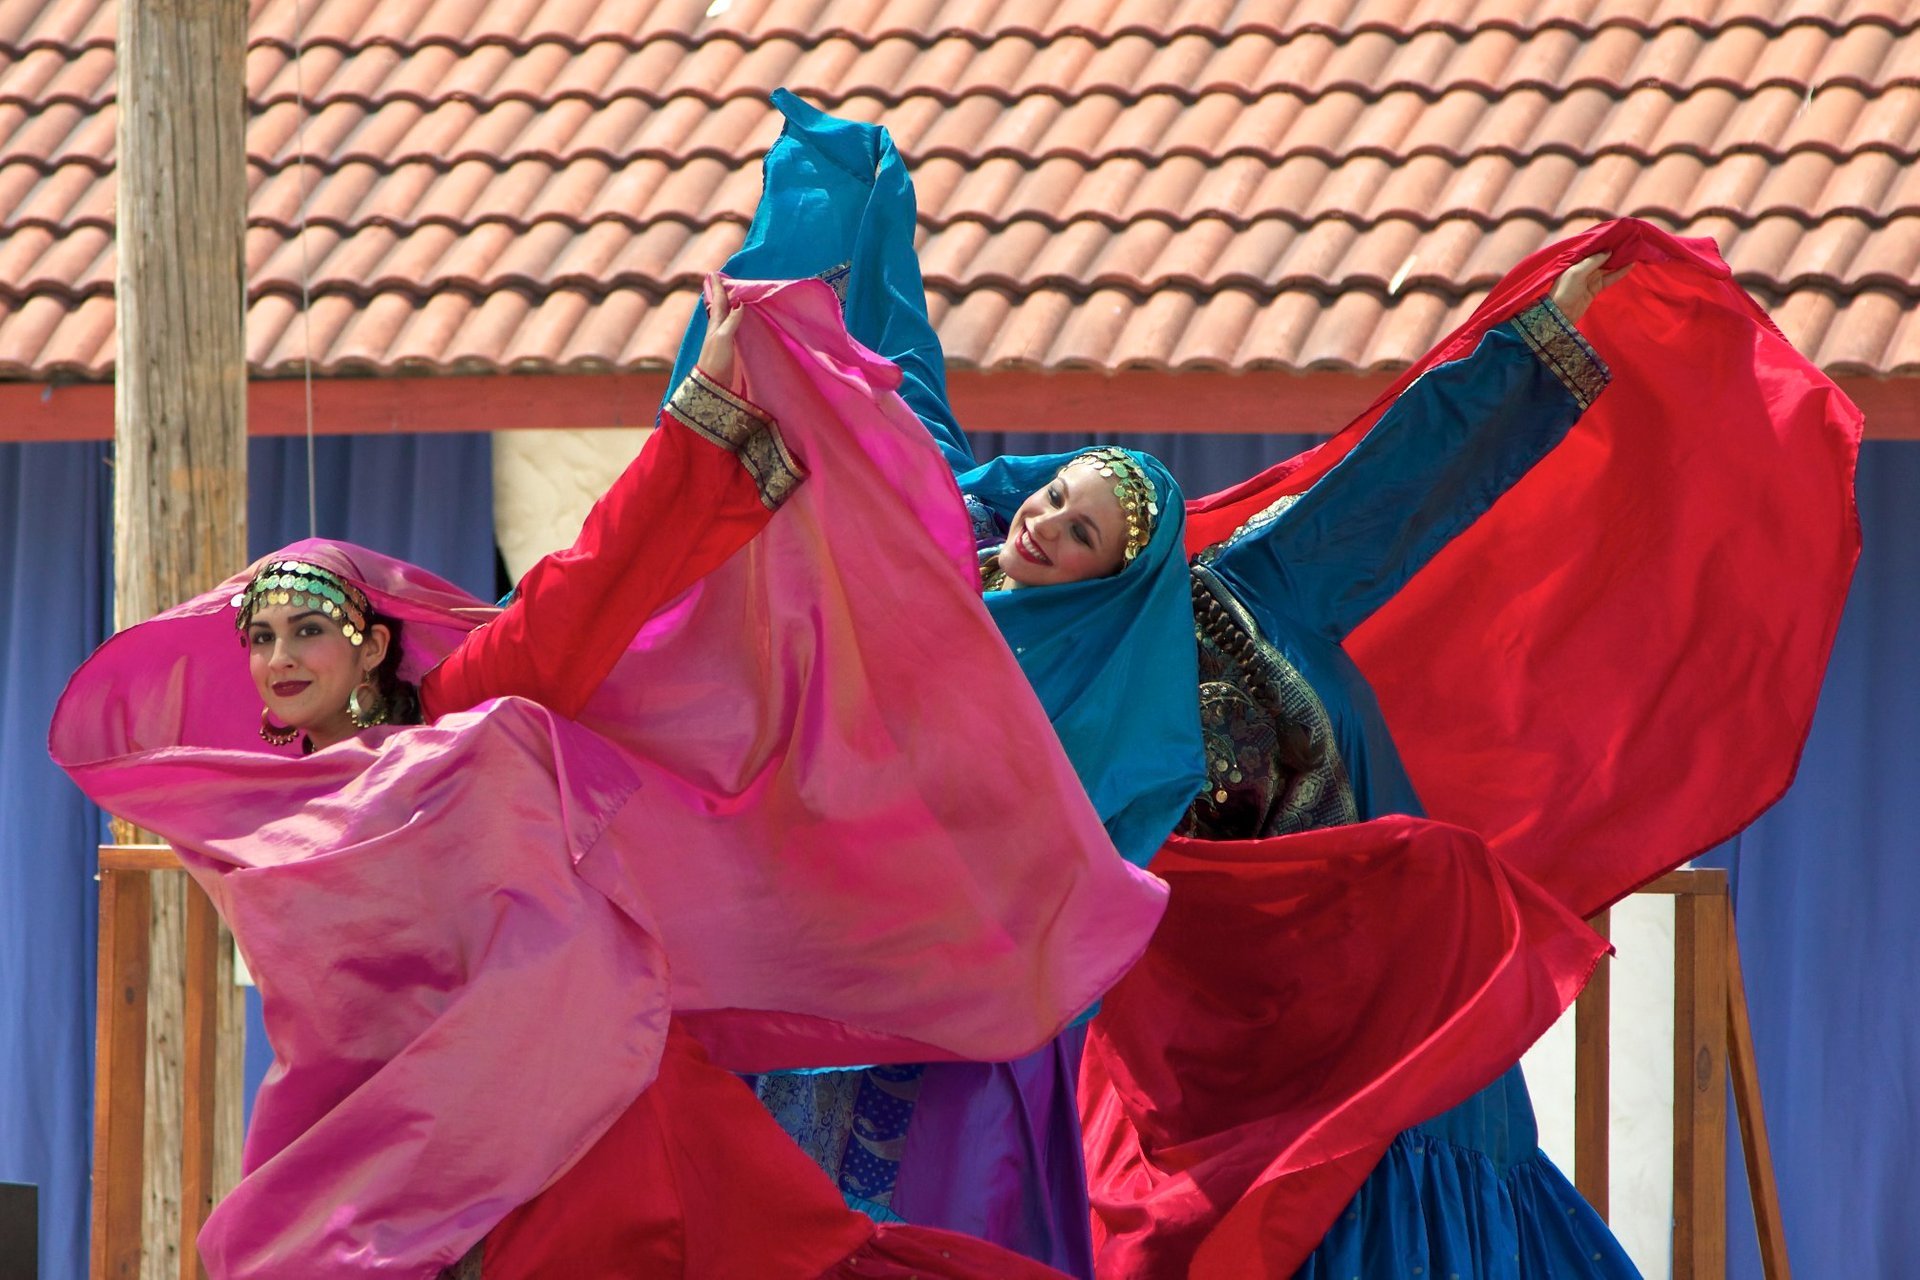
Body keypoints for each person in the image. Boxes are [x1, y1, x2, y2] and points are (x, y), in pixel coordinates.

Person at [50, 272, 1174, 1279]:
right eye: (263, 637)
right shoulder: (274, 799)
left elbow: (591, 583)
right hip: (382, 1138)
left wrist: (716, 406)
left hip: (571, 1109)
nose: (283, 657)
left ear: (377, 641)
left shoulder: (463, 711)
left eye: (311, 628)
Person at [1082, 218, 1861, 1277]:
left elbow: (1403, 474)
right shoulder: (1035, 700)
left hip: (1386, 977)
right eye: (1035, 522)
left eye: (1078, 524)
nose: (1039, 532)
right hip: (1224, 1036)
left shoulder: (1241, 591)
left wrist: (1545, 337)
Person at [682, 93, 1206, 1276]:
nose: (1044, 524)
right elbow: (901, 376)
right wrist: (868, 213)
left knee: (936, 1236)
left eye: (1076, 537)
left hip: (957, 1028)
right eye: (1053, 496)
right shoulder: (942, 546)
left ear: (1106, 584)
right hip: (818, 952)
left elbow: (1068, 866)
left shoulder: (1093, 700)